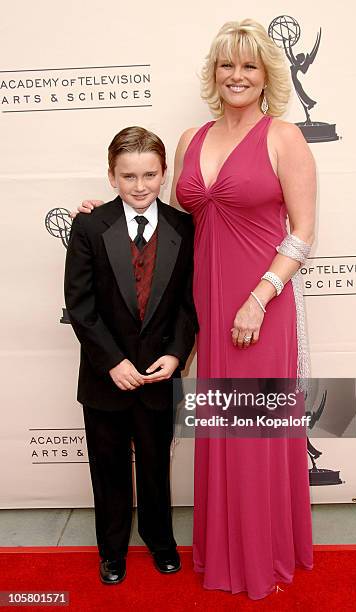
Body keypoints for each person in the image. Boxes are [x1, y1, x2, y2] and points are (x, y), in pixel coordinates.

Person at [77, 18, 316, 600]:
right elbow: (166, 214)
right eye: (226, 64)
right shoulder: (190, 139)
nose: (237, 75)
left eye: (249, 65)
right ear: (214, 73)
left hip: (259, 304)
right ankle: (225, 550)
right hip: (200, 305)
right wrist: (100, 212)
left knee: (252, 433)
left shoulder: (285, 137)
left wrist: (259, 298)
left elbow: (304, 234)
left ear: (266, 76)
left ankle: (262, 556)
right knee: (219, 435)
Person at [65, 126, 197, 585]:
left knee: (157, 467)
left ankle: (161, 542)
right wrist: (112, 362)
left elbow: (187, 304)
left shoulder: (184, 227)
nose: (139, 186)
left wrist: (178, 355)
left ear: (164, 174)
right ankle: (113, 550)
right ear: (111, 176)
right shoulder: (89, 226)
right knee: (109, 470)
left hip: (160, 377)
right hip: (105, 379)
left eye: (149, 174)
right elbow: (80, 306)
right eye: (128, 177)